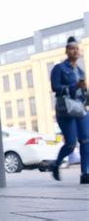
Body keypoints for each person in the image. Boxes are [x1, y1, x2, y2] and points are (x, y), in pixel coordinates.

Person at [49, 36, 88, 184]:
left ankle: (85, 173)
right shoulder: (59, 68)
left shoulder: (81, 72)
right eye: (72, 48)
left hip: (80, 109)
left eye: (77, 49)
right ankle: (56, 164)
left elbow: (84, 94)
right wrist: (74, 87)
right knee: (71, 144)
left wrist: (85, 91)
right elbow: (55, 88)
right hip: (65, 110)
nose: (75, 51)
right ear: (67, 51)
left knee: (86, 140)